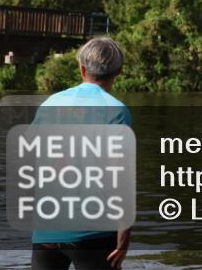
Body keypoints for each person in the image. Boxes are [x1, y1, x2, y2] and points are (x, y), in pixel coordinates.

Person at [31, 37, 132, 270]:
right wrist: (124, 237)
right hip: (93, 232)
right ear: (119, 70)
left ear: (82, 68)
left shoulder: (49, 104)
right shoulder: (116, 111)